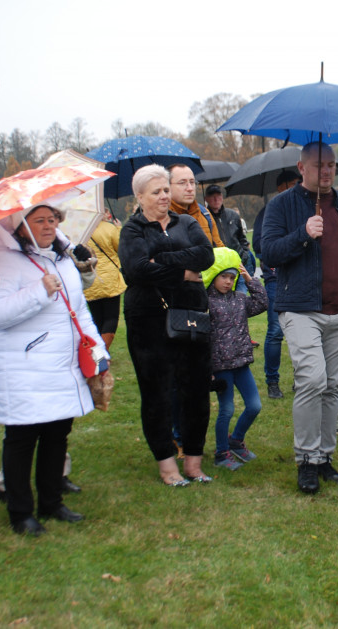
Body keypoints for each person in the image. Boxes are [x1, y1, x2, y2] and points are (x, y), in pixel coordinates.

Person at [0, 204, 105, 535]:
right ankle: (20, 512)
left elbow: (79, 310)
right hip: (23, 368)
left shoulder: (62, 258)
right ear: (21, 226)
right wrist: (38, 291)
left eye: (52, 219)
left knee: (56, 435)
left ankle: (51, 503)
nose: (49, 226)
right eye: (39, 220)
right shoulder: (4, 260)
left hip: (62, 366)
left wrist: (98, 349)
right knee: (22, 438)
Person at [261, 141, 338, 494]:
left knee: (331, 385)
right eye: (319, 165)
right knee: (311, 380)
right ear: (301, 167)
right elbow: (268, 253)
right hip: (301, 308)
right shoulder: (282, 205)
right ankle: (306, 459)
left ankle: (324, 457)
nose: (326, 171)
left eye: (332, 165)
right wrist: (303, 234)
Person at [118, 165, 216, 486]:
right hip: (148, 319)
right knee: (157, 391)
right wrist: (182, 272)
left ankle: (193, 462)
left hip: (191, 315)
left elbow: (205, 256)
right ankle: (166, 465)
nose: (163, 197)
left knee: (196, 390)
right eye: (156, 192)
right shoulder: (132, 230)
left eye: (165, 190)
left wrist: (161, 261)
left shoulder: (186, 221)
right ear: (140, 197)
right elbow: (135, 270)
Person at [202, 247, 268, 470]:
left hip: (241, 364)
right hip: (221, 367)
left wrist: (249, 279)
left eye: (232, 277)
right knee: (227, 410)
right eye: (224, 276)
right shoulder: (205, 303)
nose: (228, 282)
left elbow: (261, 303)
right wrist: (208, 368)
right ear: (214, 275)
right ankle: (222, 452)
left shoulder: (240, 300)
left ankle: (236, 440)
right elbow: (202, 338)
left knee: (254, 406)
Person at [252, 170, 301, 400]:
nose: (297, 186)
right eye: (293, 183)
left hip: (299, 279)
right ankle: (272, 381)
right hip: (275, 279)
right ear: (281, 186)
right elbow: (260, 247)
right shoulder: (268, 212)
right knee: (275, 331)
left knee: (301, 332)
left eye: (298, 183)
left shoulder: (303, 209)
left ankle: (301, 379)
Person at [84, 217, 127, 351]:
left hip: (90, 278)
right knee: (111, 318)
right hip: (109, 279)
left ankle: (97, 350)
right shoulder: (109, 229)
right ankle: (101, 352)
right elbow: (121, 248)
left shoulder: (81, 232)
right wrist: (119, 228)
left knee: (97, 319)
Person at [169, 164, 224, 249]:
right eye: (182, 183)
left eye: (192, 182)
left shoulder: (205, 214)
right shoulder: (160, 219)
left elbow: (220, 248)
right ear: (167, 186)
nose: (190, 188)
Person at [204, 184, 250, 264]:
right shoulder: (204, 219)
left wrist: (244, 256)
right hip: (217, 265)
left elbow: (242, 239)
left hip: (237, 262)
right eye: (212, 196)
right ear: (206, 199)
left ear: (222, 197)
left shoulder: (233, 215)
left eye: (218, 195)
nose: (216, 199)